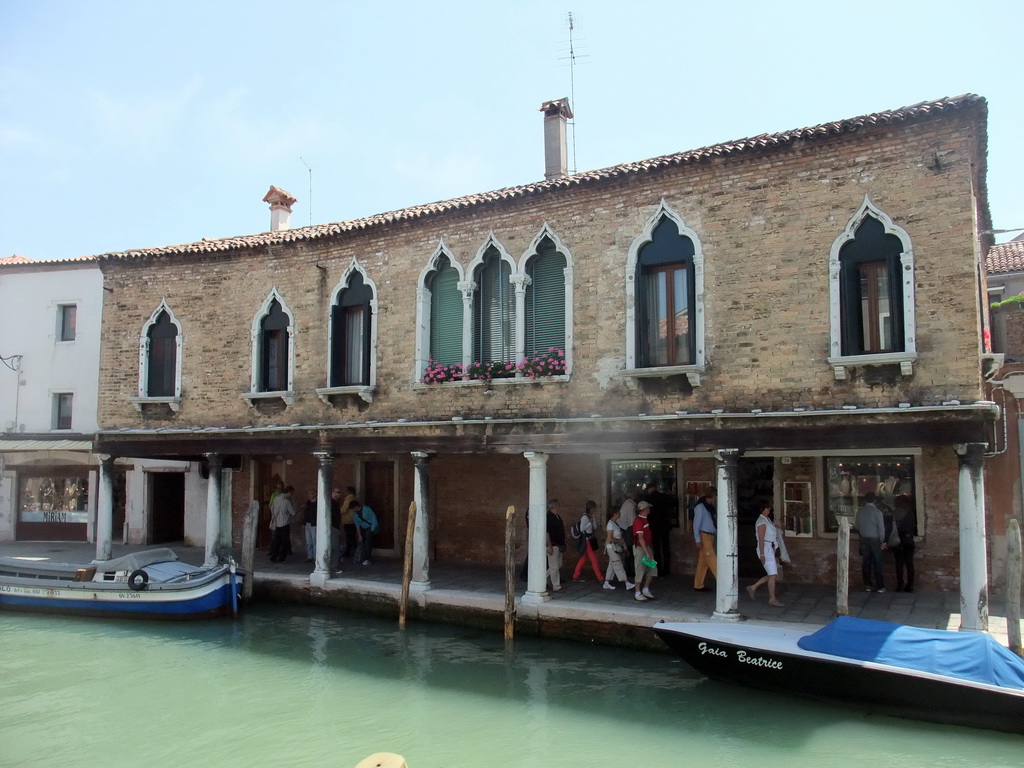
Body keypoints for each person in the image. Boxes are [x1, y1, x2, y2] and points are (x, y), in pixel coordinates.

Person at [746, 505, 784, 607]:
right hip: (766, 549)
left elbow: (770, 530)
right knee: (772, 574)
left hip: (770, 548)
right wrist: (762, 553)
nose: (769, 509)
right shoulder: (761, 522)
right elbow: (761, 539)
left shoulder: (767, 520)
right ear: (762, 509)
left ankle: (753, 587)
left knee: (772, 574)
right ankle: (772, 598)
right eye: (767, 508)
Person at [855, 492, 886, 592]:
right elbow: (881, 529)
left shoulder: (859, 511)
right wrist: (883, 541)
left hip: (864, 539)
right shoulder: (877, 512)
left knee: (866, 562)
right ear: (875, 500)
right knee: (877, 563)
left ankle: (867, 584)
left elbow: (857, 527)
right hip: (875, 540)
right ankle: (880, 586)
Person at [644, 483, 674, 576]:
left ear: (649, 489)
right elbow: (674, 503)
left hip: (654, 527)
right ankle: (667, 570)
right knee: (666, 548)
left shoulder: (648, 499)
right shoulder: (664, 496)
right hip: (665, 525)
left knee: (656, 549)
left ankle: (657, 570)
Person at [692, 487, 718, 592]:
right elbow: (696, 524)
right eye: (715, 495)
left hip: (710, 535)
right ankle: (723, 583)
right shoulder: (700, 507)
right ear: (712, 496)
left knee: (703, 562)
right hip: (704, 536)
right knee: (713, 560)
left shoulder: (710, 507)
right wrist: (697, 539)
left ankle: (698, 584)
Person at [603, 507, 635, 591]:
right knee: (617, 563)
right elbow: (610, 538)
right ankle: (626, 582)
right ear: (614, 514)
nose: (620, 514)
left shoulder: (615, 523)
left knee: (612, 564)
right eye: (618, 513)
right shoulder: (610, 524)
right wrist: (620, 540)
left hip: (615, 546)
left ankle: (606, 582)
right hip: (612, 547)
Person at [572, 500, 603, 583]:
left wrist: (593, 520)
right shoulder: (584, 517)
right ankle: (600, 578)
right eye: (594, 508)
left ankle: (576, 575)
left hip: (590, 539)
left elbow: (595, 527)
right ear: (591, 508)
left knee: (583, 558)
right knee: (594, 559)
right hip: (586, 540)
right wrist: (589, 523)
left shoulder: (590, 516)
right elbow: (582, 529)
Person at [632, 501, 656, 601]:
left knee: (652, 568)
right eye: (648, 508)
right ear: (644, 510)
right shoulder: (638, 521)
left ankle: (645, 589)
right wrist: (647, 553)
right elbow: (640, 538)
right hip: (641, 549)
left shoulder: (644, 520)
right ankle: (637, 592)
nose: (649, 509)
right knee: (640, 570)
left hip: (646, 547)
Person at [893, 495, 917, 592]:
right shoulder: (910, 514)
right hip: (908, 540)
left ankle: (900, 584)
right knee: (909, 564)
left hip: (898, 541)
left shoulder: (894, 514)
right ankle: (910, 585)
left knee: (899, 564)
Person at [268, 485, 296, 563]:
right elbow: (293, 512)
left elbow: (272, 508)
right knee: (284, 541)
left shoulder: (276, 499)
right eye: (291, 494)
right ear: (288, 492)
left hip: (277, 522)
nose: (291, 495)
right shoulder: (286, 501)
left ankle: (273, 556)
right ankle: (282, 557)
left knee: (276, 540)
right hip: (285, 523)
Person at [545, 499, 567, 592]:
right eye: (558, 505)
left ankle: (542, 579)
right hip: (553, 544)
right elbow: (546, 532)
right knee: (554, 566)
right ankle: (556, 586)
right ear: (554, 506)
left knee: (557, 565)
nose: (559, 507)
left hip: (559, 544)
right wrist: (549, 546)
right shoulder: (548, 517)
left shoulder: (557, 516)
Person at [339, 486, 361, 564]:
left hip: (349, 520)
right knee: (350, 537)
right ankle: (349, 551)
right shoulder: (354, 498)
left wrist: (338, 511)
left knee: (350, 537)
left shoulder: (349, 499)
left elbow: (344, 509)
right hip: (351, 520)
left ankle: (352, 552)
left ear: (348, 492)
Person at [353, 501, 379, 565]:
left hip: (370, 527)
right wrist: (359, 535)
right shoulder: (355, 515)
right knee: (362, 543)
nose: (353, 510)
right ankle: (362, 558)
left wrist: (373, 529)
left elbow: (373, 518)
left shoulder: (367, 509)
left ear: (356, 506)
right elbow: (357, 525)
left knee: (368, 543)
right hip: (363, 528)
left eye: (353, 508)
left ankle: (367, 558)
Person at [330, 487, 343, 572]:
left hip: (335, 527)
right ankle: (332, 567)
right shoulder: (331, 503)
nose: (339, 494)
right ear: (333, 492)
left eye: (340, 493)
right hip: (332, 527)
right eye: (338, 492)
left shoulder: (335, 503)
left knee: (334, 547)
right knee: (334, 547)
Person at [302, 489, 317, 563]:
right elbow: (306, 513)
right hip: (308, 523)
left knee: (315, 541)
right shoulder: (308, 502)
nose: (309, 496)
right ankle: (309, 556)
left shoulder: (317, 503)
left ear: (314, 494)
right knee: (308, 541)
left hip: (314, 524)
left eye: (310, 494)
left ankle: (315, 556)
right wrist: (304, 523)